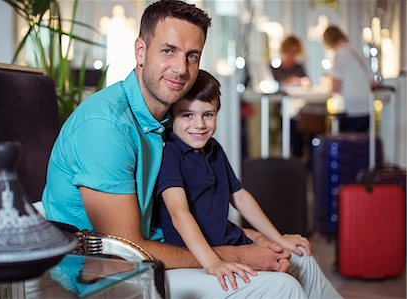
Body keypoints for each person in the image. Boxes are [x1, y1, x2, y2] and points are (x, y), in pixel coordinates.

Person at [42, 0, 341, 297]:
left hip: (156, 248)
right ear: (141, 51)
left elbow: (175, 220)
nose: (181, 69)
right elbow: (126, 252)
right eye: (168, 51)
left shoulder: (170, 123)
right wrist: (236, 254)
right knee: (281, 285)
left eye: (192, 56)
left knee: (300, 259)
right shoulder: (106, 127)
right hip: (107, 275)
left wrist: (255, 238)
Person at [155, 69, 340, 294]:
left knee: (302, 257)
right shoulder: (170, 154)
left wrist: (278, 239)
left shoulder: (214, 149)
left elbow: (240, 197)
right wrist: (212, 262)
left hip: (232, 243)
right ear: (172, 116)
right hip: (198, 257)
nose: (199, 124)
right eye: (187, 115)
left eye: (208, 114)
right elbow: (179, 214)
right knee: (286, 285)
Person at [271, 35, 325, 158]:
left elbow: (307, 83)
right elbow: (273, 87)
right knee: (292, 137)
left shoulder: (299, 67)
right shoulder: (275, 69)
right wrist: (286, 82)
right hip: (282, 109)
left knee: (309, 135)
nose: (292, 57)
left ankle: (306, 163)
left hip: (301, 110)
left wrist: (302, 82)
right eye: (290, 53)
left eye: (295, 53)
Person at [323, 25, 375, 132]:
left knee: (348, 145)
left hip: (350, 107)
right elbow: (372, 82)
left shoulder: (340, 54)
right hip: (366, 106)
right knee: (362, 143)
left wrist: (327, 83)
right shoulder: (357, 51)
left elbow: (336, 87)